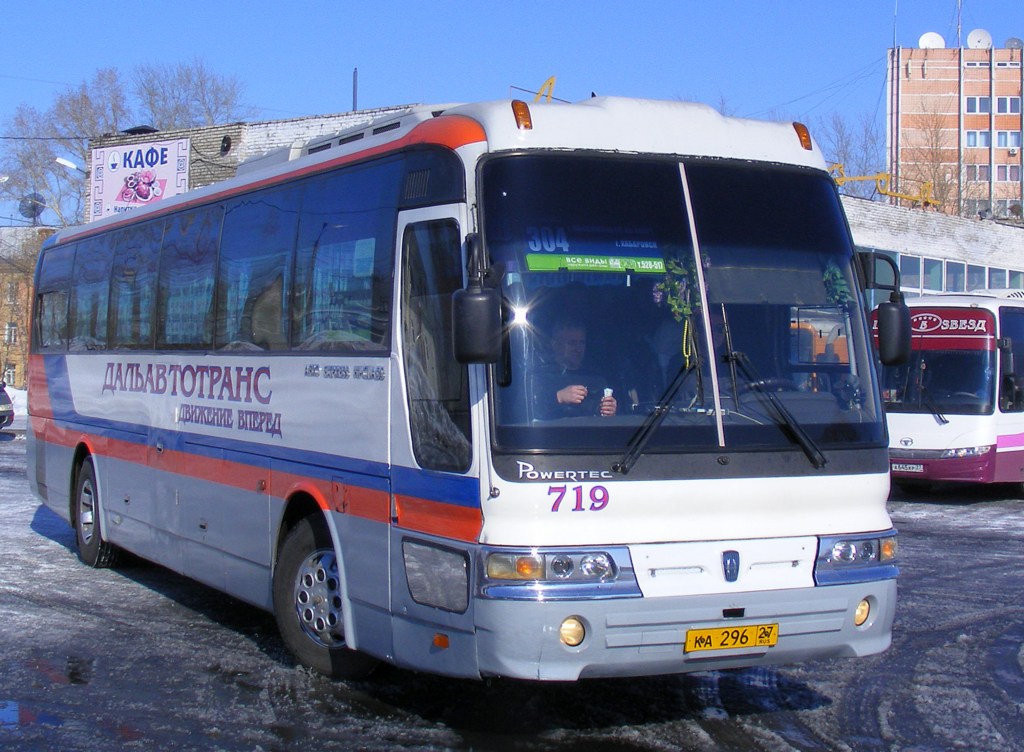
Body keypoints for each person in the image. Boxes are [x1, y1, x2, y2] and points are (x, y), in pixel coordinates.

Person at [536, 320, 617, 418]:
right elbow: (529, 411)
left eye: (581, 343)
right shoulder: (540, 378)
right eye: (572, 343)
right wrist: (559, 397)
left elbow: (607, 419)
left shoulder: (596, 380)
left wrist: (610, 411)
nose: (578, 349)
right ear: (555, 344)